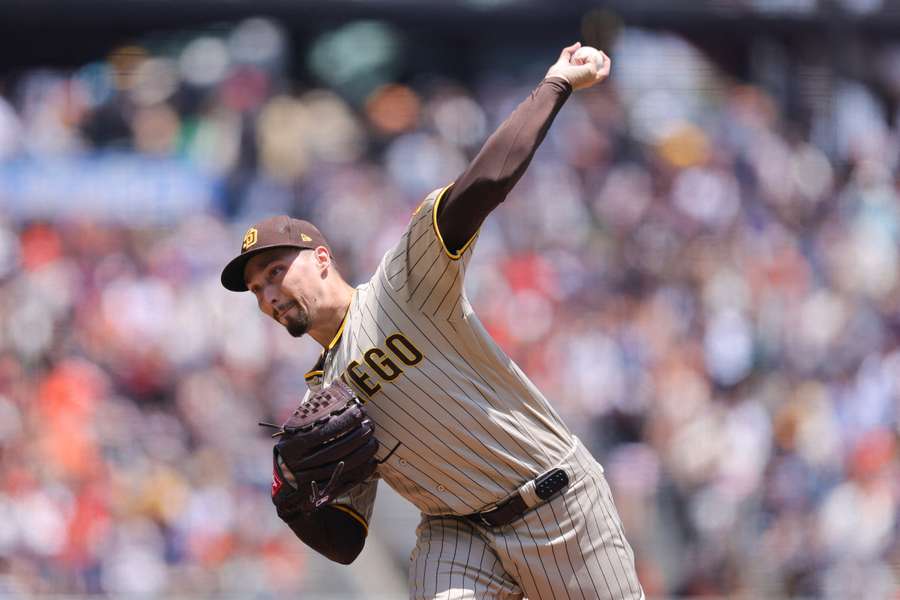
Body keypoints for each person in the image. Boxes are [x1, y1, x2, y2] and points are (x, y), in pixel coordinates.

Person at [221, 42, 643, 600]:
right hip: (457, 534)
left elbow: (482, 186)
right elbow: (345, 539)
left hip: (556, 502)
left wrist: (556, 83)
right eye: (256, 289)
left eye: (275, 271)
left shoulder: (401, 285)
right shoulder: (324, 400)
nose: (268, 293)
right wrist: (292, 494)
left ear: (322, 258)